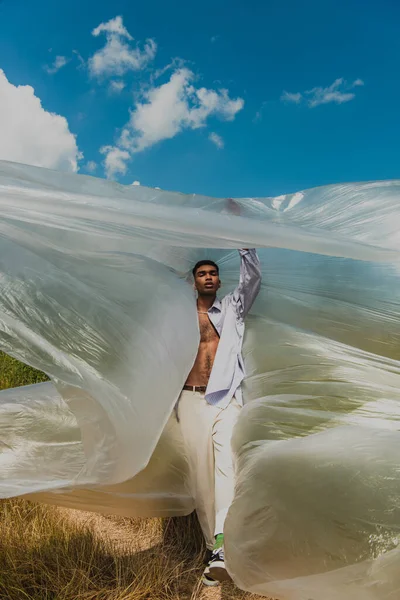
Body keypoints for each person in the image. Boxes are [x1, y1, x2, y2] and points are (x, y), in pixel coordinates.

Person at [176, 232, 261, 586]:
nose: (208, 277)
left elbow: (252, 279)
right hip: (190, 399)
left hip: (225, 397)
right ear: (193, 281)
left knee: (227, 467)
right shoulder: (176, 314)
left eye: (213, 272)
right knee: (200, 479)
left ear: (219, 279)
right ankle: (213, 550)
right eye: (202, 273)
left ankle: (223, 546)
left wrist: (245, 242)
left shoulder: (231, 307)